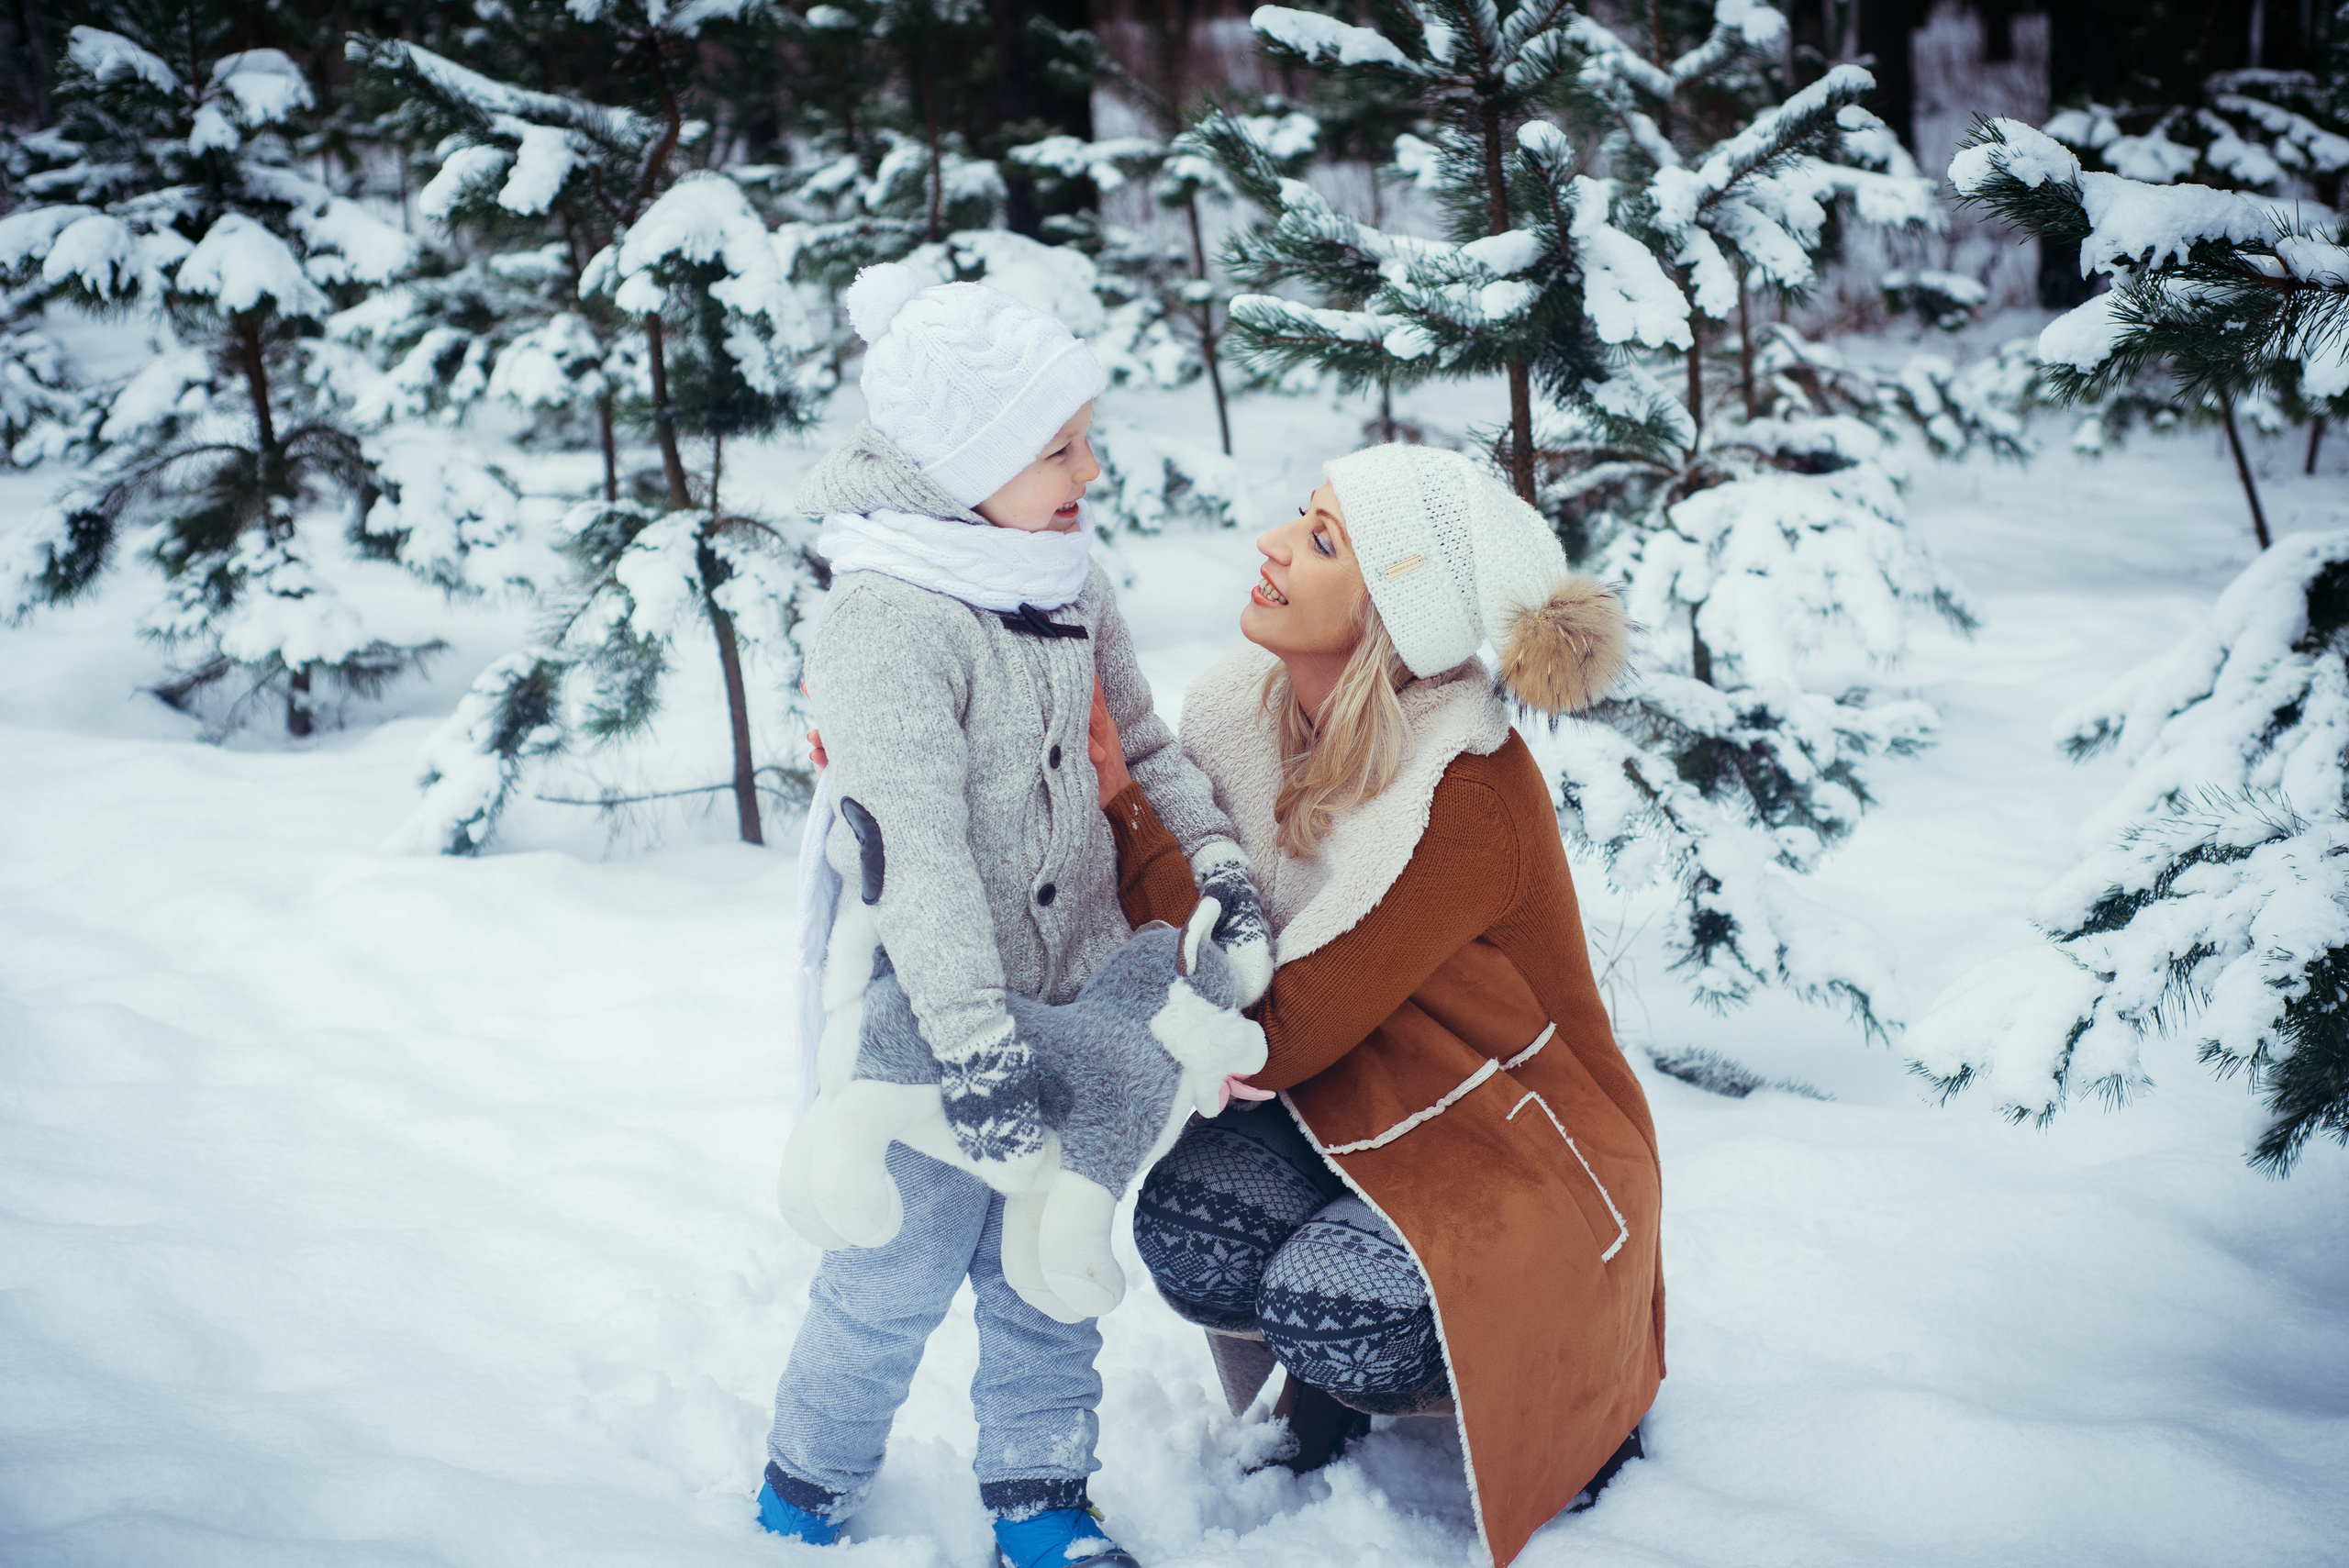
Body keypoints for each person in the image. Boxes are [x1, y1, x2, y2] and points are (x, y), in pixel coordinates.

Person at [761, 263, 1268, 1568]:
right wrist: (977, 1044)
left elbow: (1142, 746)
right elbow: (914, 854)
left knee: (1049, 1272)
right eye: (1058, 447)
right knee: (895, 1271)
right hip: (935, 1011)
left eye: (1084, 439)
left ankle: (1039, 1504)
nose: (1088, 468)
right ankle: (804, 1482)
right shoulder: (886, 618)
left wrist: (1217, 862)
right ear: (961, 458)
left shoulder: (1062, 576)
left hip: (1082, 985)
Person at [1097, 443, 1664, 1568]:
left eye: (1321, 541)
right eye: (1298, 518)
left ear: (1396, 611)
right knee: (1190, 1222)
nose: (1271, 546)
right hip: (1346, 1107)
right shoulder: (1243, 713)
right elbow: (1185, 932)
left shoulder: (1462, 789)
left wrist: (1128, 806)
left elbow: (1272, 1031)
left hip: (1517, 1150)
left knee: (1335, 1305)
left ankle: (1574, 1394)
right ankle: (1340, 1373)